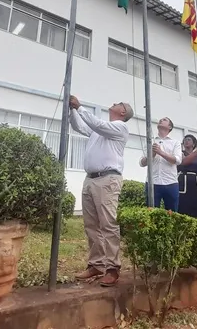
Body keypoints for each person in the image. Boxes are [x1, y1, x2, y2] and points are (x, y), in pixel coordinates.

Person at [69, 95, 132, 287]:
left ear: (123, 112)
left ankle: (113, 268)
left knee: (108, 225)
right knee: (91, 225)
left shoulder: (120, 127)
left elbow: (95, 124)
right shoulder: (100, 129)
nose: (114, 102)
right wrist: (71, 110)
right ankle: (96, 264)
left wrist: (79, 107)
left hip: (107, 180)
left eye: (119, 103)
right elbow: (80, 127)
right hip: (91, 179)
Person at [140, 117, 182, 211]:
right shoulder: (150, 141)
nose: (161, 120)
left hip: (170, 182)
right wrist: (152, 154)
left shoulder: (175, 143)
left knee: (172, 214)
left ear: (170, 127)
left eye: (165, 120)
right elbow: (142, 163)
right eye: (161, 119)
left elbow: (177, 160)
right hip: (152, 182)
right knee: (151, 213)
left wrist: (160, 152)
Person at [177, 134, 197, 218]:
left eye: (188, 139)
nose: (186, 141)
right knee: (183, 204)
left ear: (193, 144)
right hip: (184, 181)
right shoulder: (180, 153)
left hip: (196, 183)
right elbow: (184, 162)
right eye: (185, 140)